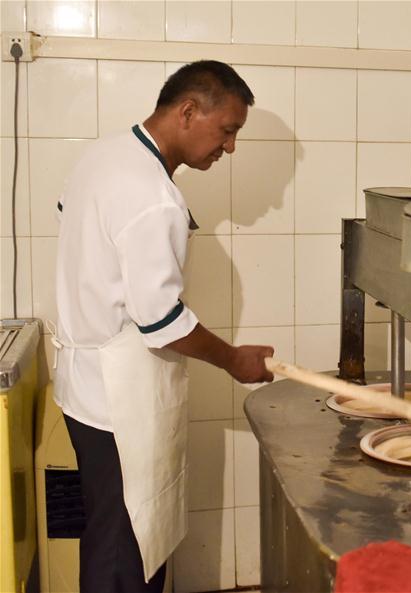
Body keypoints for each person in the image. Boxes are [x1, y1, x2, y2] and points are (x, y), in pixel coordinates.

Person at [53, 60, 275, 593]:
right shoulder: (153, 198)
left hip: (83, 387)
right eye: (228, 130)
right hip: (119, 403)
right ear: (188, 111)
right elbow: (161, 321)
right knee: (124, 555)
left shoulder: (102, 156)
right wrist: (234, 359)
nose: (230, 148)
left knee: (108, 534)